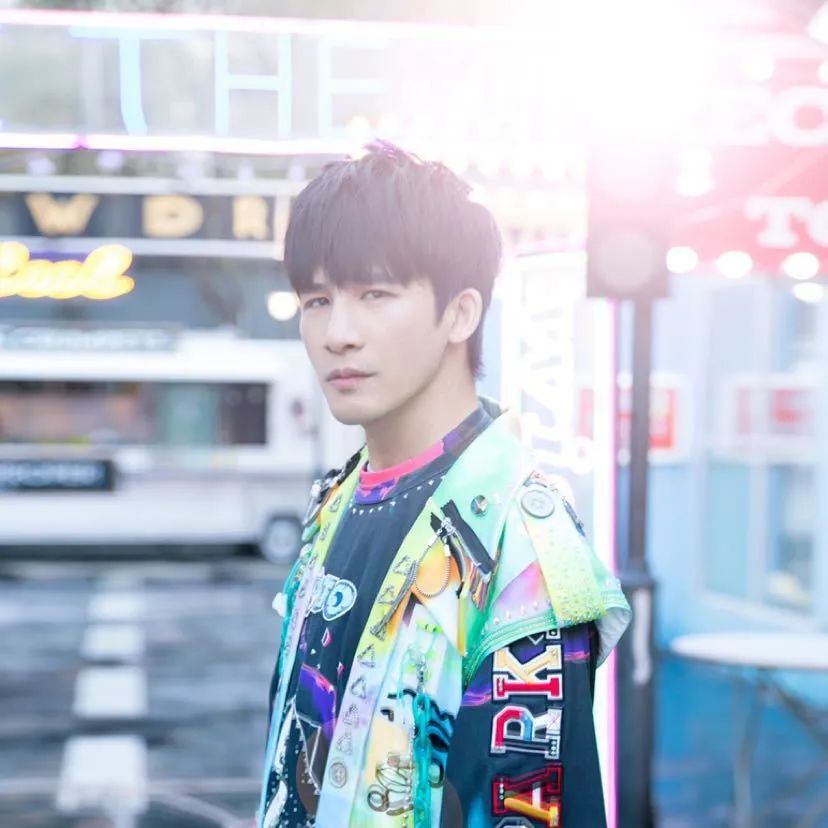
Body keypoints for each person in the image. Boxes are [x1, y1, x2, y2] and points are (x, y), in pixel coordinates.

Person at [258, 141, 632, 828]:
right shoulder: (338, 498)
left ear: (461, 313)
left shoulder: (519, 544)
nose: (337, 333)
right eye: (317, 299)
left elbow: (527, 810)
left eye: (375, 294)